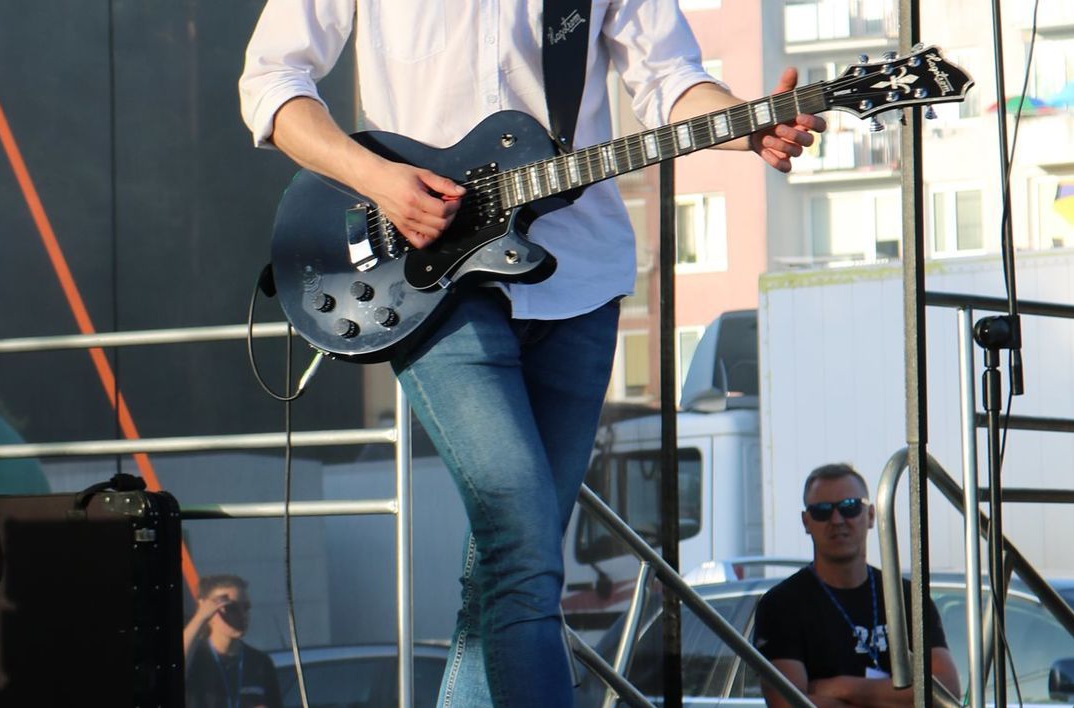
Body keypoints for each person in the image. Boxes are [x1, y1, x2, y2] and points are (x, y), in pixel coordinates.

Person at [239, 3, 824, 706]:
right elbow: (271, 82)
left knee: (510, 566)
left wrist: (744, 122)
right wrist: (378, 180)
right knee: (521, 543)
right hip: (429, 281)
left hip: (579, 280)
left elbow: (670, 77)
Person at [753, 463, 962, 707]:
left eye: (850, 507)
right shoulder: (781, 605)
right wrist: (897, 700)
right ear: (806, 522)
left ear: (871, 515)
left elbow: (946, 691)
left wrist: (841, 687)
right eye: (822, 511)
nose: (837, 520)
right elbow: (788, 703)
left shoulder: (908, 597)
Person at [183, 574, 283, 708]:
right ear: (207, 611)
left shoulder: (260, 662)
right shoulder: (195, 657)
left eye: (246, 608)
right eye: (231, 608)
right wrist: (200, 618)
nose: (242, 615)